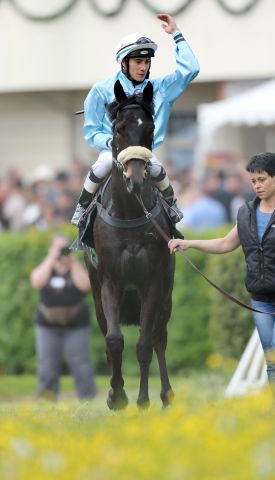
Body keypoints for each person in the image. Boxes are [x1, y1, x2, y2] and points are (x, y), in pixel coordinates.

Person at [168, 152, 275, 407]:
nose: (257, 185)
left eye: (262, 179)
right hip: (260, 298)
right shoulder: (246, 213)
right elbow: (226, 243)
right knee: (272, 355)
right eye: (253, 181)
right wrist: (189, 243)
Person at [71, 13, 199, 227]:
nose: (143, 67)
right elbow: (91, 132)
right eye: (138, 61)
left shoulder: (160, 88)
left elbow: (191, 70)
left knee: (157, 168)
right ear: (124, 62)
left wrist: (177, 35)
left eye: (147, 62)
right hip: (113, 151)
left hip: (145, 151)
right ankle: (82, 208)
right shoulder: (101, 90)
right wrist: (113, 143)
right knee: (102, 164)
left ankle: (171, 205)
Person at [30, 233, 97, 401]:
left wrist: (72, 261)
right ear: (51, 249)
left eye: (65, 248)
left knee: (80, 363)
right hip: (47, 326)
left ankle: (87, 398)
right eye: (58, 248)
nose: (62, 252)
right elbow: (37, 281)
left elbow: (85, 286)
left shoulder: (76, 266)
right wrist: (51, 258)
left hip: (76, 325)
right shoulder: (47, 266)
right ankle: (46, 398)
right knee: (47, 364)